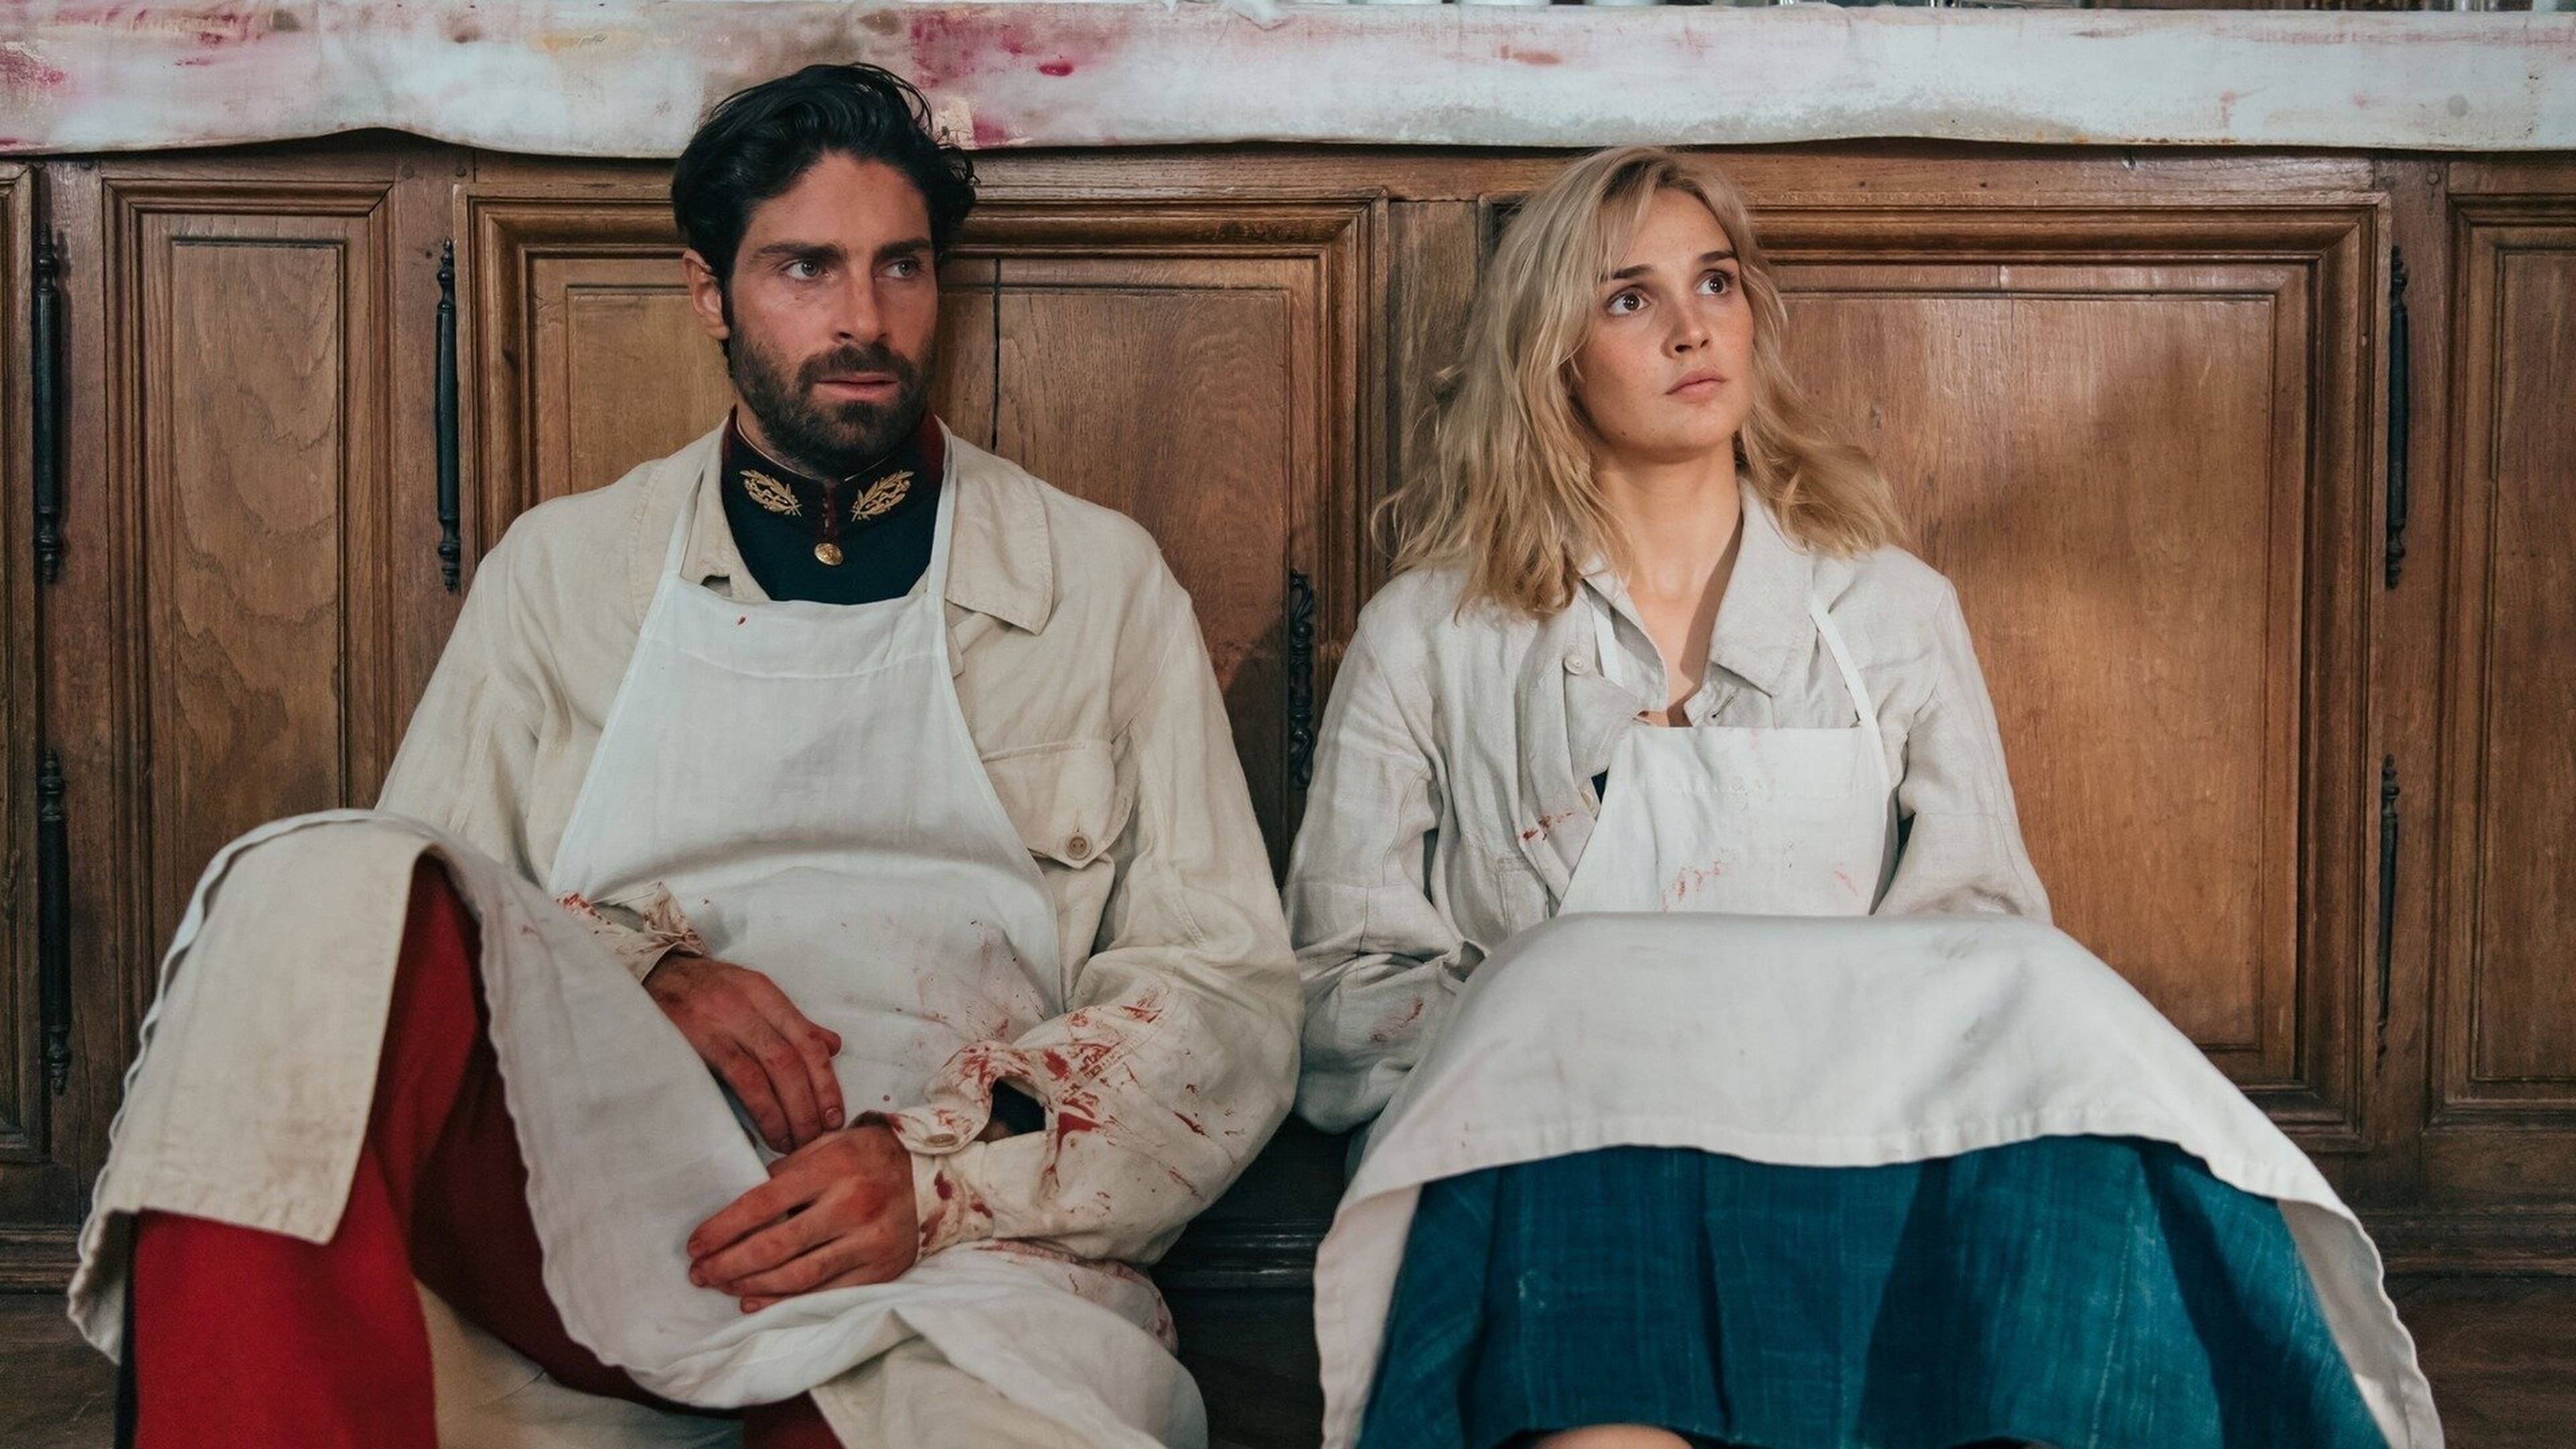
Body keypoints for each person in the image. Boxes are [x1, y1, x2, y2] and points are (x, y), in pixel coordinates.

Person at [67, 64, 1298, 1449]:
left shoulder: (1097, 580)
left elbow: (1226, 994)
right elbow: (405, 939)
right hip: (601, 1197)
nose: (862, 318)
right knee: (309, 881)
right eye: (804, 268)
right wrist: (629, 968)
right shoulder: (563, 570)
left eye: (901, 266)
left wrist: (938, 1172)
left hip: (953, 1250)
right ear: (709, 292)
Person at [1289, 147, 2436, 1449]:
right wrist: (1556, 1027)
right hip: (1573, 1141)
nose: (1690, 329)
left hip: (1857, 1144)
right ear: (1550, 354)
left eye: (1715, 282)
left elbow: (1982, 934)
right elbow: (1341, 988)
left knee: (2091, 1156)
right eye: (1629, 299)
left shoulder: (1889, 610)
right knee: (1584, 1208)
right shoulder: (1431, 636)